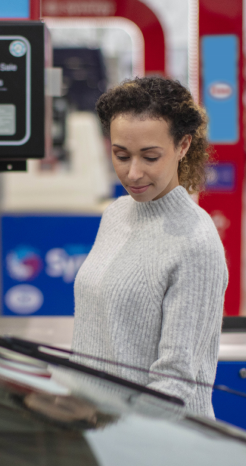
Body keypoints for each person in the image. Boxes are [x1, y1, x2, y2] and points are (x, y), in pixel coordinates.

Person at [71, 76, 228, 417]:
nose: (133, 173)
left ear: (183, 146)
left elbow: (174, 386)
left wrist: (104, 425)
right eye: (121, 155)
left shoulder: (195, 243)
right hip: (95, 435)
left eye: (150, 156)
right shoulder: (116, 213)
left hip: (155, 444)